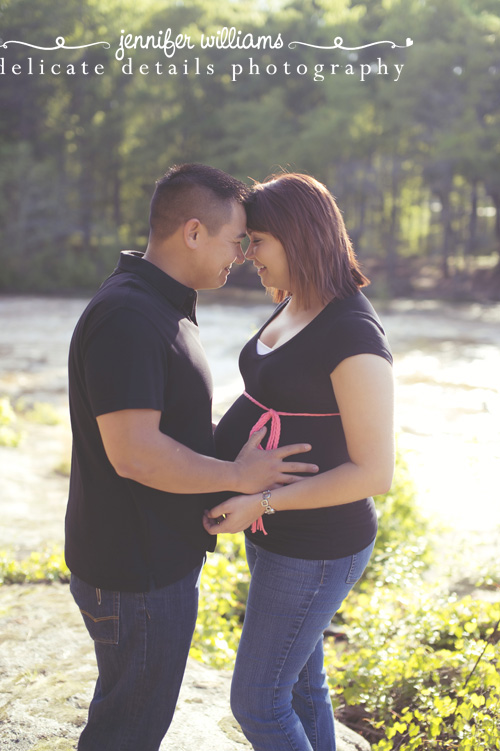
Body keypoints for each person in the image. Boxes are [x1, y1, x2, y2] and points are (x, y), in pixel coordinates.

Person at [65, 163, 318, 751]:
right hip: (136, 574)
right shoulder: (130, 316)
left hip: (146, 562)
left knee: (129, 719)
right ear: (194, 232)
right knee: (128, 732)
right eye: (238, 241)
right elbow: (136, 454)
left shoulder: (158, 305)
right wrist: (236, 474)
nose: (243, 256)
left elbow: (164, 423)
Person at [204, 172, 395, 751]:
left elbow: (374, 473)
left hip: (316, 546)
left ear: (299, 237)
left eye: (257, 241)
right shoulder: (295, 303)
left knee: (257, 702)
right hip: (275, 531)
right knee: (304, 688)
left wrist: (258, 500)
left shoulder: (354, 336)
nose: (246, 255)